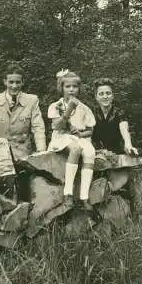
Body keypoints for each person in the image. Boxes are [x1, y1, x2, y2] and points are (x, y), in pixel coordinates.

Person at [0, 63, 47, 181]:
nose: (14, 86)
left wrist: (41, 151)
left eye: (18, 82)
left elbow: (38, 127)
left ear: (23, 82)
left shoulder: (32, 100)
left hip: (22, 152)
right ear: (5, 82)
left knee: (25, 186)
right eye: (11, 82)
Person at [47, 69, 96, 211]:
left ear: (79, 89)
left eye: (74, 87)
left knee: (90, 152)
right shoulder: (56, 106)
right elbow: (57, 125)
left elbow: (90, 130)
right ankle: (68, 193)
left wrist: (81, 134)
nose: (71, 90)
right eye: (67, 87)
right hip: (61, 137)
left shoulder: (84, 108)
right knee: (75, 148)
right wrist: (68, 110)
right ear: (61, 88)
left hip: (78, 137)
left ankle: (84, 197)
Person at [92, 77, 139, 156]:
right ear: (96, 97)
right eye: (101, 94)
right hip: (98, 154)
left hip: (118, 154)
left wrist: (128, 144)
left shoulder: (120, 112)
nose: (105, 96)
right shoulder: (92, 113)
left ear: (112, 96)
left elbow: (124, 129)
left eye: (108, 93)